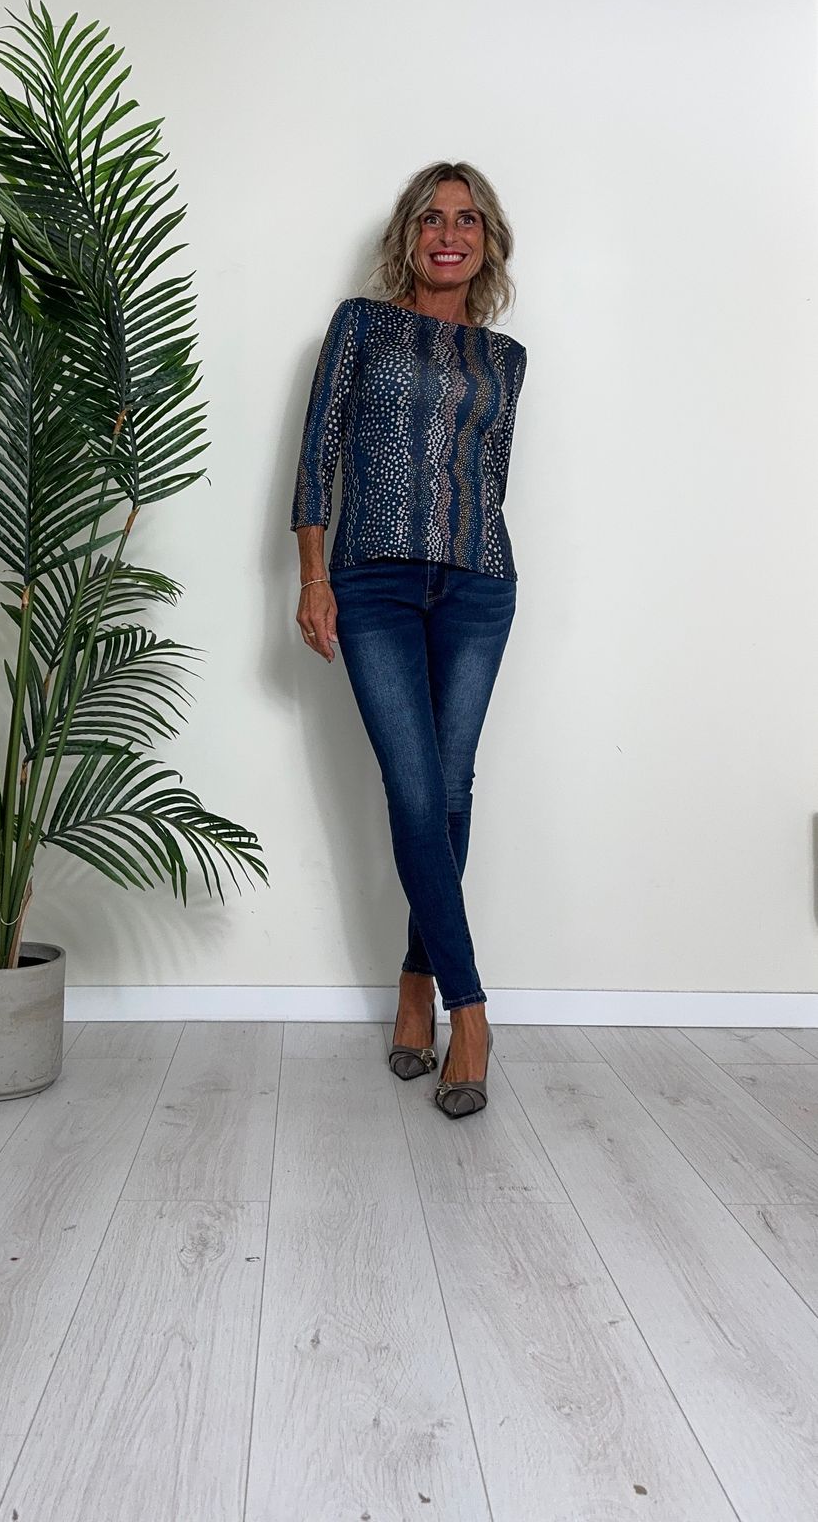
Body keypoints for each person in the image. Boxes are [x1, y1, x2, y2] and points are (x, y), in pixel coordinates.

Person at [289, 160, 528, 1119]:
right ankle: (471, 1011)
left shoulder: (505, 359)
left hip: (478, 584)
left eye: (466, 220)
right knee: (416, 789)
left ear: (486, 240)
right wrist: (313, 577)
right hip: (372, 582)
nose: (448, 234)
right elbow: (317, 454)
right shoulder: (360, 325)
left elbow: (490, 480)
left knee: (453, 789)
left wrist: (481, 569)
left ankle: (415, 986)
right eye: (432, 218)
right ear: (408, 235)